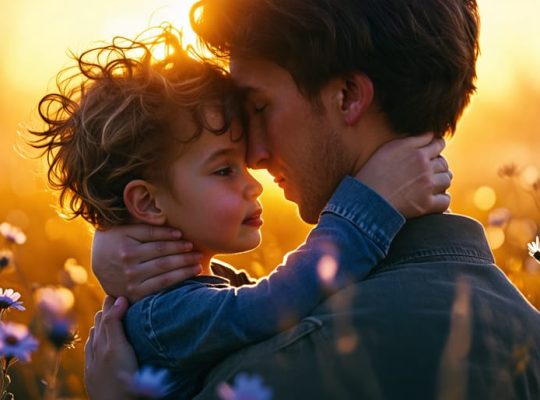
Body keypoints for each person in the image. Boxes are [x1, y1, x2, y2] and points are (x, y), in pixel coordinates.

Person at [86, 0, 540, 398]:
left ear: (347, 97)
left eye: (260, 107)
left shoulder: (283, 369)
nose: (255, 157)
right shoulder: (525, 331)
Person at [28, 26, 449, 399]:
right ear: (150, 203)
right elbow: (274, 304)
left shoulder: (185, 298)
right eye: (225, 169)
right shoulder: (166, 315)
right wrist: (368, 206)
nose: (254, 180)